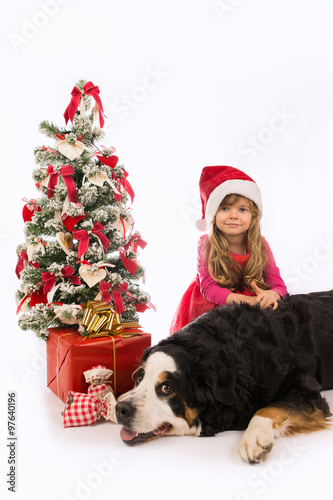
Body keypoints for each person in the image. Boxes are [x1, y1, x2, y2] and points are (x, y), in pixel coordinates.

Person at [170, 165, 287, 334]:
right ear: (213, 214)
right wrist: (249, 301)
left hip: (250, 299)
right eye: (225, 208)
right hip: (213, 304)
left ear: (253, 215)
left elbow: (277, 283)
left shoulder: (261, 244)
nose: (233, 215)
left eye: (242, 209)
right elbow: (210, 289)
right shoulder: (206, 244)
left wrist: (271, 295)